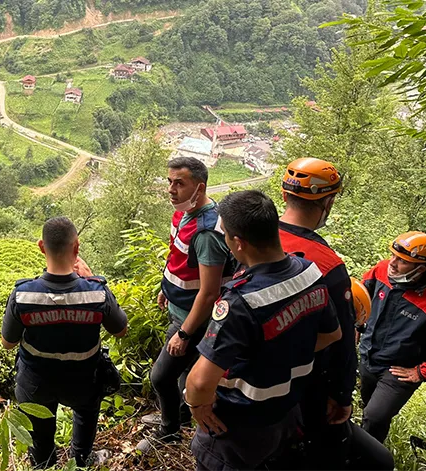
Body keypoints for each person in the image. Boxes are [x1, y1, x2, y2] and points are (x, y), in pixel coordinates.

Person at [184, 190, 342, 470]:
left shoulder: (242, 302)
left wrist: (197, 407)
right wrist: (281, 356)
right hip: (286, 412)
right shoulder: (310, 273)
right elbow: (332, 334)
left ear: (238, 242)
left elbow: (198, 383)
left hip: (238, 427)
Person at [277, 158, 393, 470]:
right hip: (308, 380)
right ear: (328, 201)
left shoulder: (256, 239)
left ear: (285, 195)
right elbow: (342, 341)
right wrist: (342, 395)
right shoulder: (327, 265)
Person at [1, 217, 128, 468]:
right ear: (77, 247)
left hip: (36, 382)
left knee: (39, 427)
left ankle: (44, 463)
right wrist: (93, 279)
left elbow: (8, 343)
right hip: (83, 380)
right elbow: (121, 330)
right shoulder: (97, 292)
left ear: (41, 246)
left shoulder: (23, 294)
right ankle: (81, 458)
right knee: (86, 412)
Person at [137, 157, 232, 453]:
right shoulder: (184, 214)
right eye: (169, 182)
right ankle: (178, 416)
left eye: (180, 183)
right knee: (180, 374)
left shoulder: (206, 231)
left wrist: (185, 334)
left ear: (199, 187)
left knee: (160, 376)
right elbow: (177, 257)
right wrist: (166, 288)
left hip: (194, 321)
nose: (171, 189)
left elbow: (209, 292)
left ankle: (169, 431)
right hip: (178, 308)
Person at [359, 231, 426, 443]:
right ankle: (370, 449)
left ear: (421, 268)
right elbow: (359, 299)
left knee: (374, 416)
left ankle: (361, 460)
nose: (393, 263)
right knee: (371, 413)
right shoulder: (380, 270)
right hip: (368, 357)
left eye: (403, 261)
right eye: (393, 256)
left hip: (399, 371)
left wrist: (421, 372)